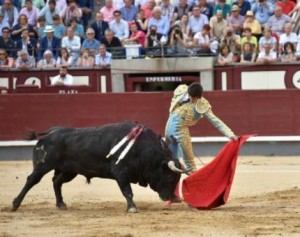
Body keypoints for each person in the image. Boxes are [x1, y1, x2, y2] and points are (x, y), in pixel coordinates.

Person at [165, 82, 237, 175]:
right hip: (169, 129)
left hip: (180, 131)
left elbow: (215, 120)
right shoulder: (181, 90)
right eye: (192, 97)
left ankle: (193, 186)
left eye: (195, 98)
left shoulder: (202, 104)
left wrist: (230, 134)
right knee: (174, 162)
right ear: (188, 93)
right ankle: (176, 187)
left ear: (199, 97)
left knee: (186, 165)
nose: (193, 99)